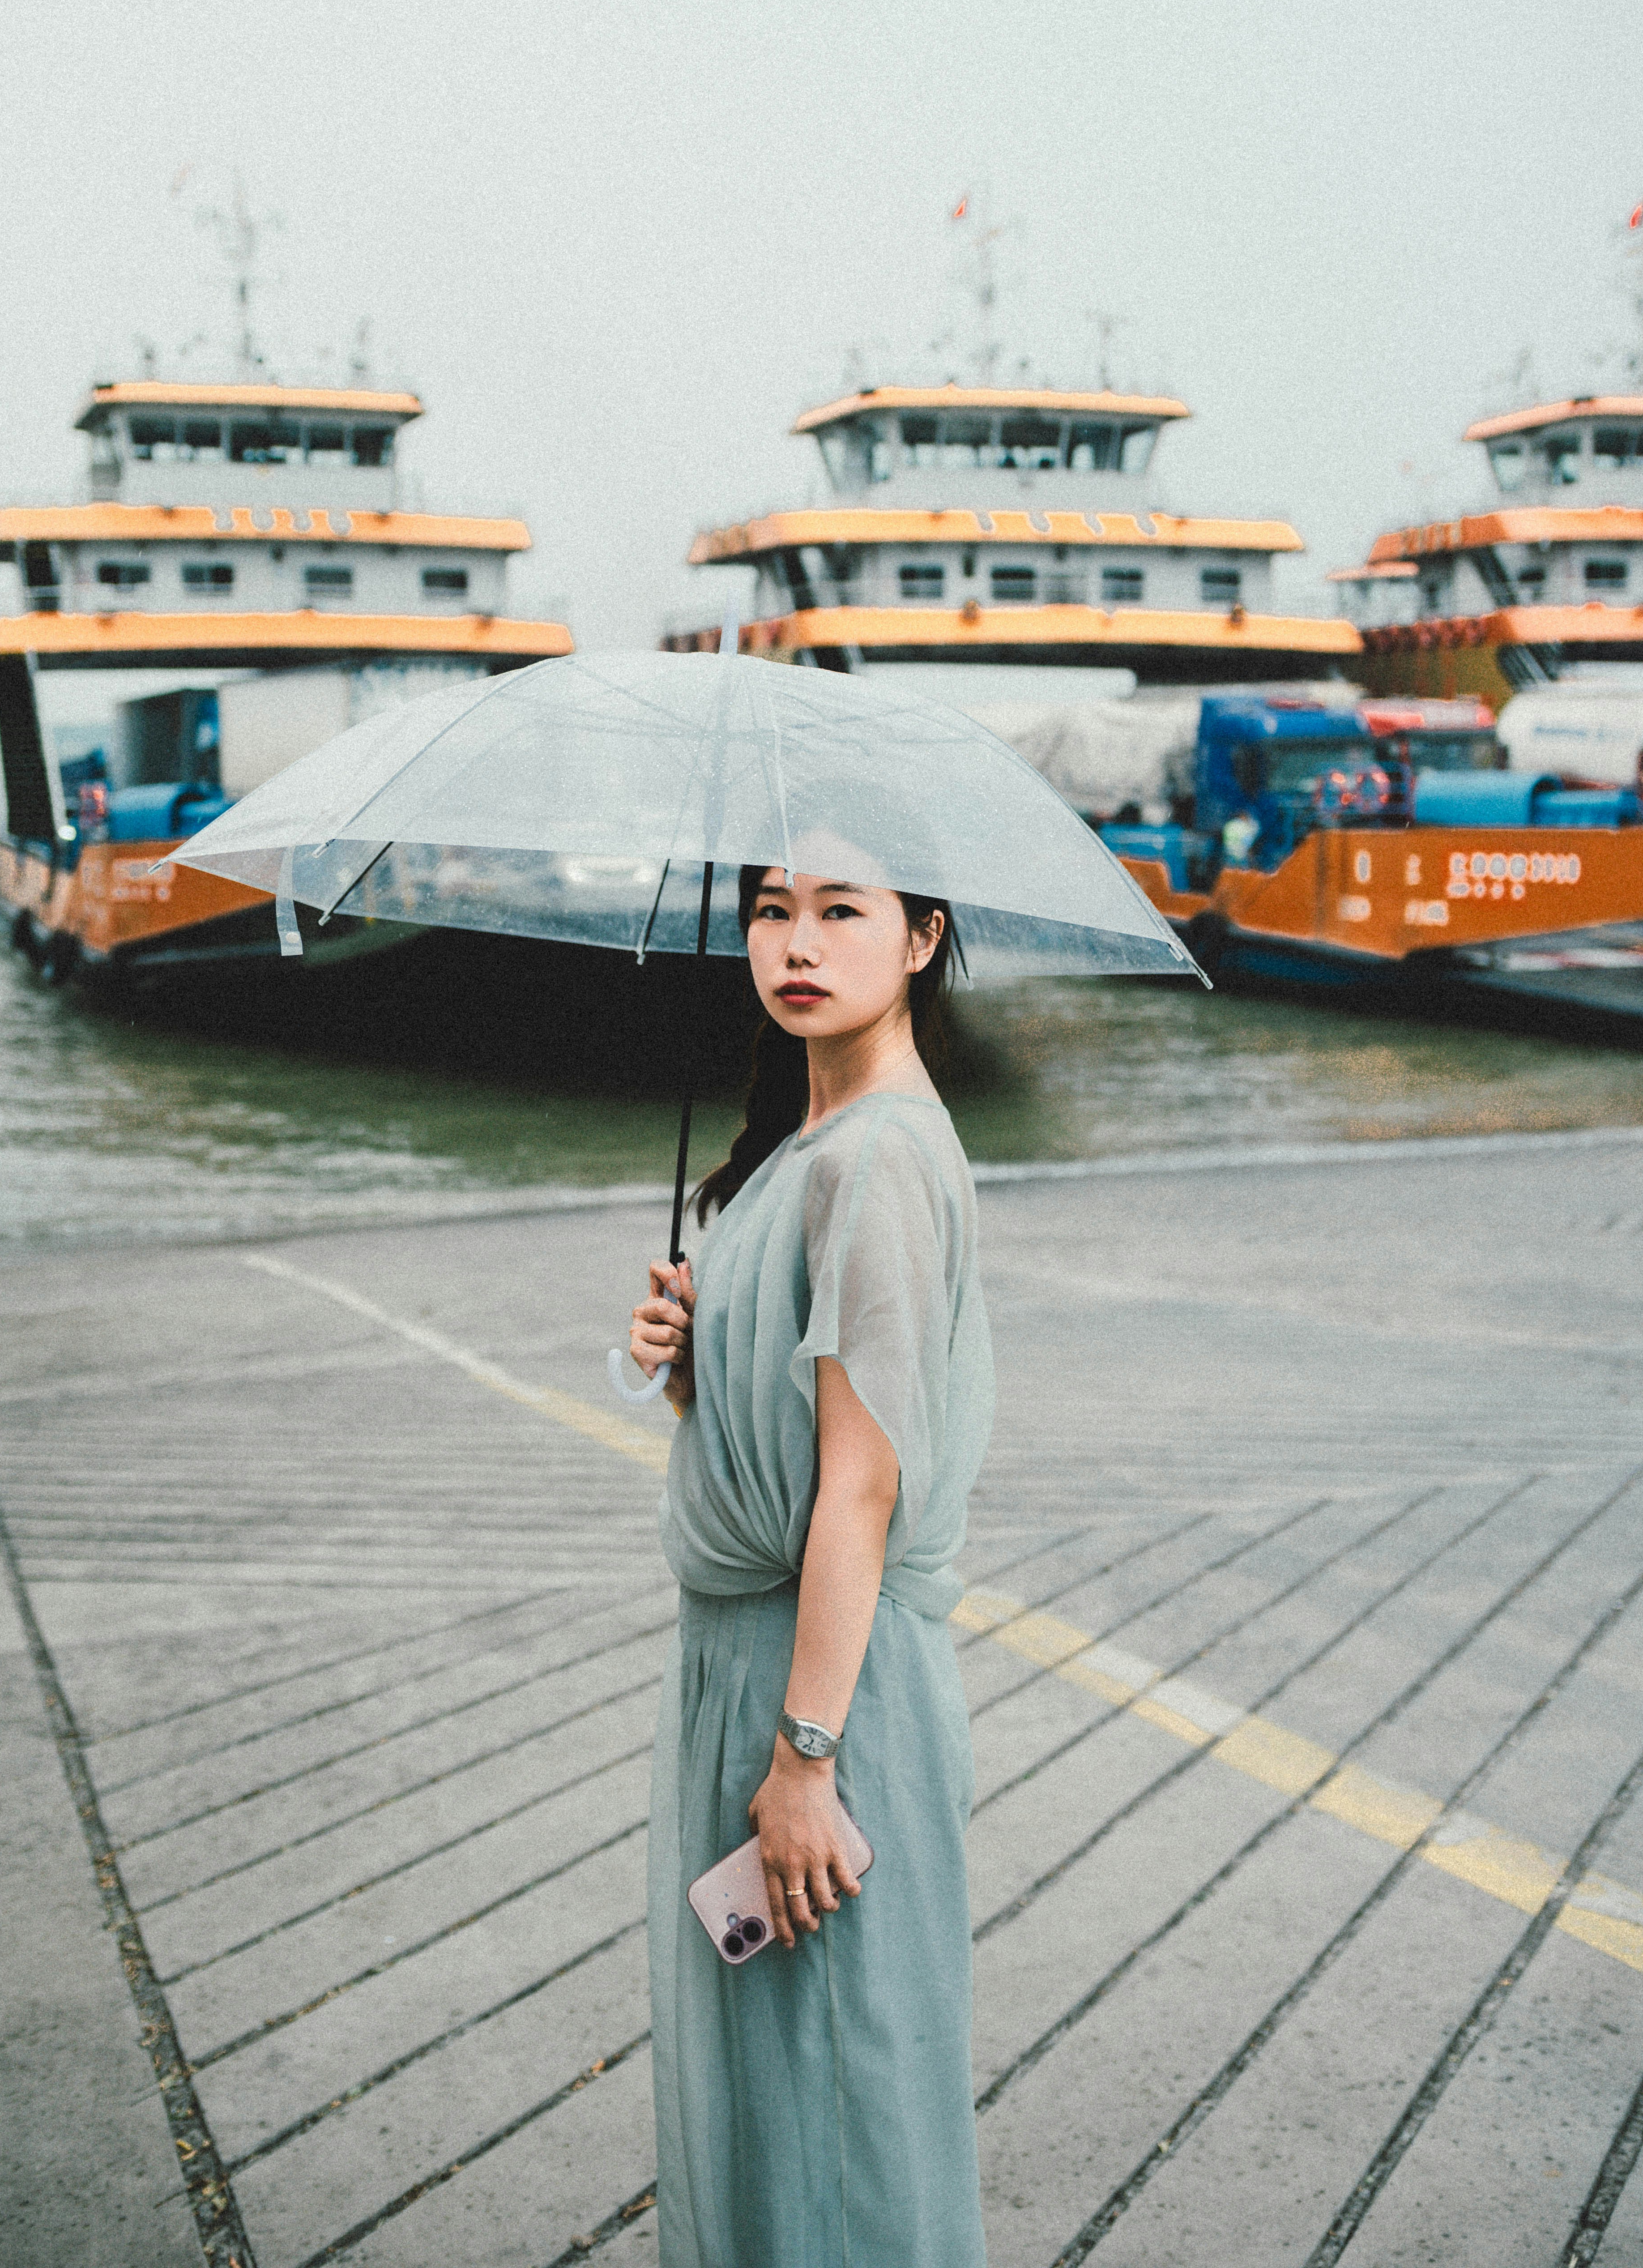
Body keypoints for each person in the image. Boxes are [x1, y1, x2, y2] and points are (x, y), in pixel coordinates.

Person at [626, 861, 994, 2268]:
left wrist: (806, 1761)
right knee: (785, 2104)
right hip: (763, 1670)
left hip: (823, 1693)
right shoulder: (802, 1144)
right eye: (773, 909)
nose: (796, 943)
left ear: (924, 935)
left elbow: (862, 1487)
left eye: (843, 911)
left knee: (847, 2114)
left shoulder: (878, 1159)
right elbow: (778, 1439)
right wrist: (690, 1356)